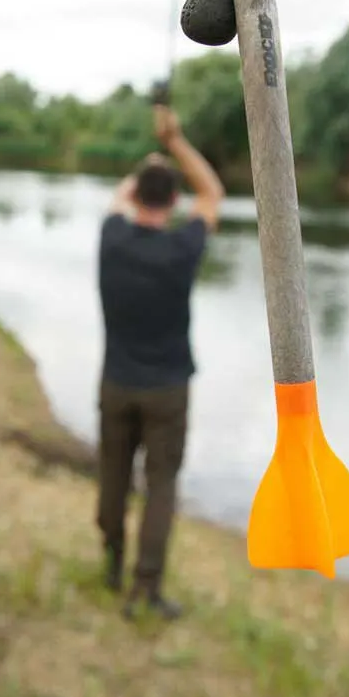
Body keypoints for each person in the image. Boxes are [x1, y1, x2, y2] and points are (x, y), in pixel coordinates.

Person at [96, 103, 225, 620]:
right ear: (173, 201)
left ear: (134, 197)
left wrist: (147, 164)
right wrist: (174, 142)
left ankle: (112, 562)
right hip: (167, 388)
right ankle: (145, 588)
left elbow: (120, 196)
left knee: (113, 475)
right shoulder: (182, 248)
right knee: (161, 486)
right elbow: (212, 193)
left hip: (116, 383)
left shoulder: (112, 238)